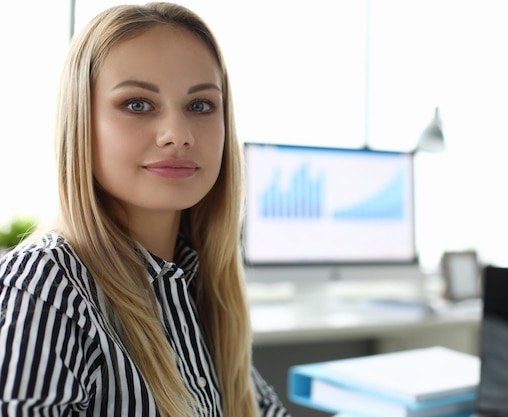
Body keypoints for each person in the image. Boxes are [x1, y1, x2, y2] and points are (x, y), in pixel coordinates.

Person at [0, 3, 291, 416]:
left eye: (200, 105)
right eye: (138, 104)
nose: (178, 134)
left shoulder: (195, 287)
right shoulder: (46, 286)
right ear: (81, 122)